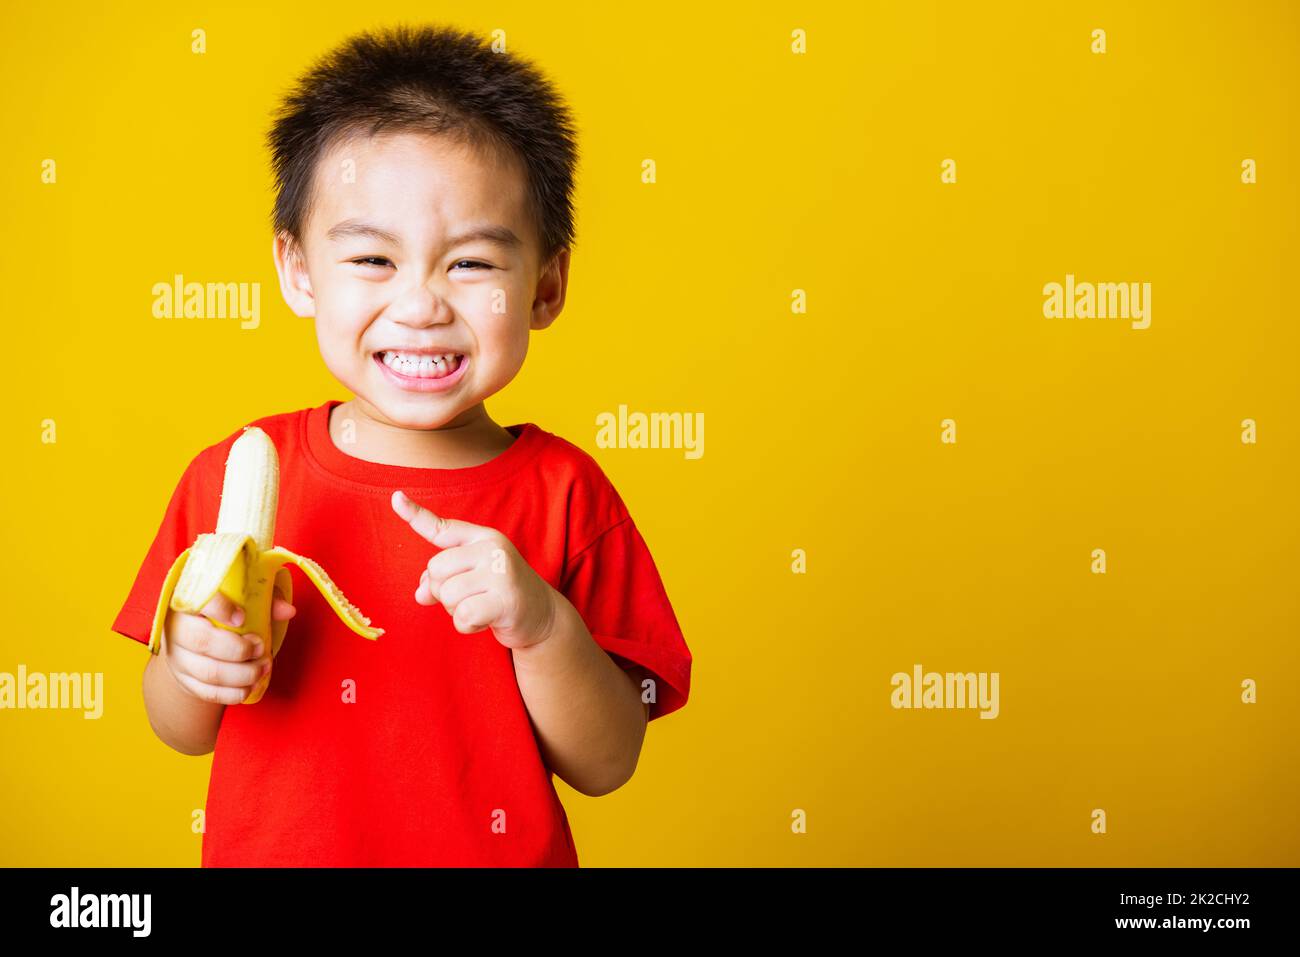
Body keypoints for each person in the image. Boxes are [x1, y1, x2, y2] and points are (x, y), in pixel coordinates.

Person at [110, 23, 692, 867]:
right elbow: (180, 729)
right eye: (374, 259)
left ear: (547, 284)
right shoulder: (229, 471)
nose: (421, 304)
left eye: (471, 265)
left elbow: (607, 762)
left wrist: (541, 627)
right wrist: (194, 662)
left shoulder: (569, 494)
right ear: (299, 270)